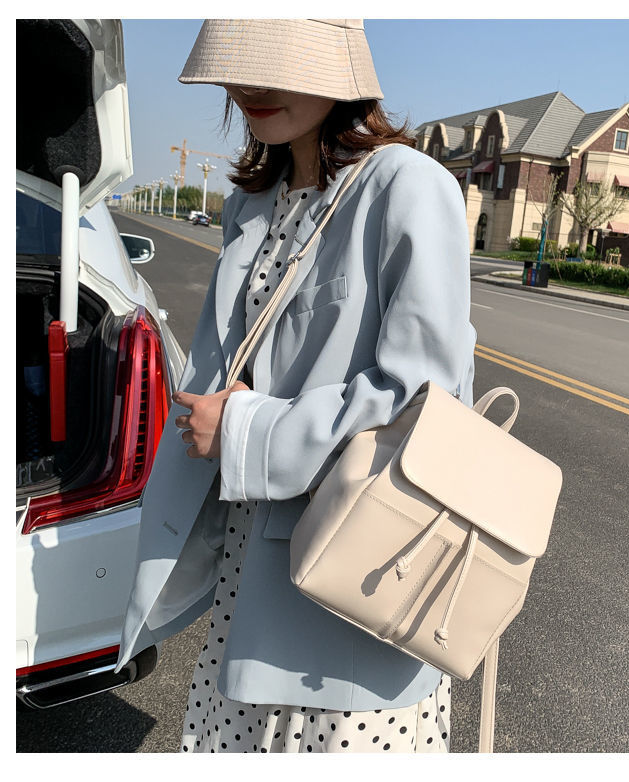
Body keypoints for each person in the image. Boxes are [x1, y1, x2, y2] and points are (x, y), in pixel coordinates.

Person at [114, 19, 477, 753]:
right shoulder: (255, 203)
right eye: (239, 61)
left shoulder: (406, 186)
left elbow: (424, 397)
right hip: (250, 570)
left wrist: (244, 430)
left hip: (352, 579)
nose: (249, 84)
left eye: (277, 60)